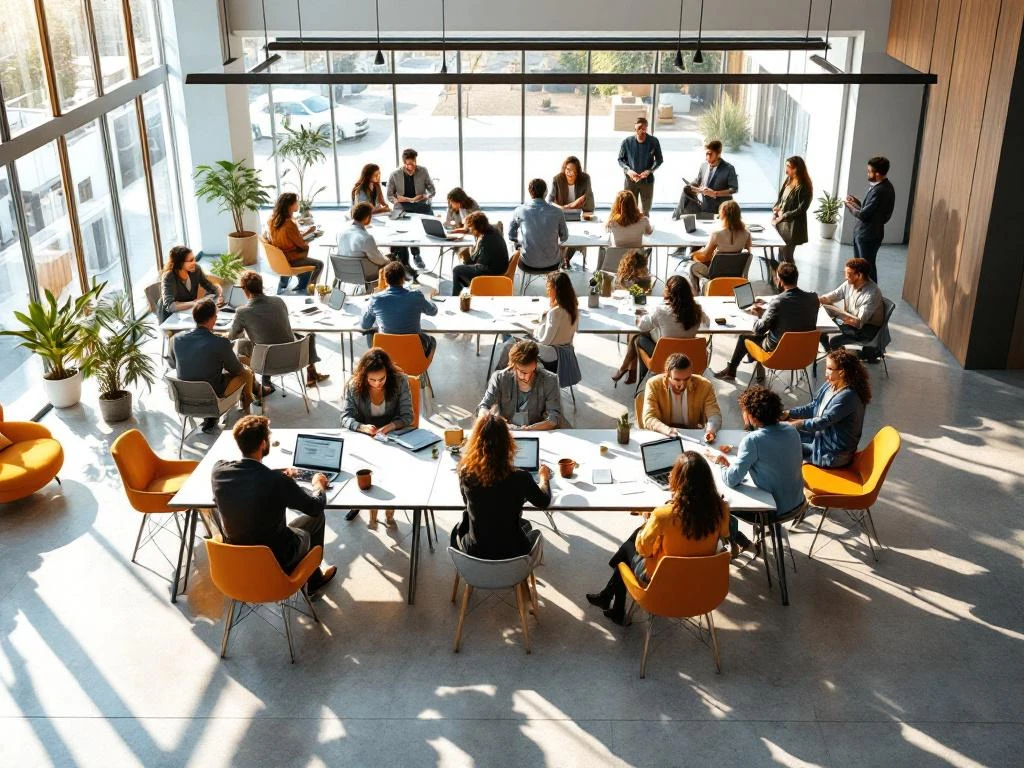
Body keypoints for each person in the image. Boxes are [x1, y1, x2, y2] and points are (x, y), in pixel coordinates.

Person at [586, 452, 730, 625]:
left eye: (672, 473)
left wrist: (649, 522)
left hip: (662, 581)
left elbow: (643, 550)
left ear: (678, 480)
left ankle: (614, 604)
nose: (670, 475)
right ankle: (609, 599)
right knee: (633, 540)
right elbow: (724, 534)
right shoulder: (720, 509)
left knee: (627, 549)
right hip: (701, 582)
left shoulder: (664, 515)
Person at [211, 415, 337, 595]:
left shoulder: (218, 471)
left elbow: (248, 476)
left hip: (237, 563)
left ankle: (313, 577)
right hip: (276, 562)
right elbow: (314, 506)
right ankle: (314, 579)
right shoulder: (277, 482)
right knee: (316, 518)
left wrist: (280, 474)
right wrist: (318, 484)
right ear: (263, 444)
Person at [712, 386, 804, 557]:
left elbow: (732, 479)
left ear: (752, 415)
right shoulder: (791, 429)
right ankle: (739, 540)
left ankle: (733, 541)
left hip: (771, 511)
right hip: (797, 502)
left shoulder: (752, 440)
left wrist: (721, 464)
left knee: (718, 502)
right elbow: (773, 449)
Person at [450, 413, 552, 560]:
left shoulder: (465, 472)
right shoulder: (520, 477)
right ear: (508, 442)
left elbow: (468, 504)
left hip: (476, 553)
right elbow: (543, 502)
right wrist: (544, 478)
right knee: (526, 527)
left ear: (475, 441)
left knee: (458, 530)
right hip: (514, 554)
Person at [340, 347, 415, 527]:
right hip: (365, 438)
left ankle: (389, 513)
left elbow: (408, 416)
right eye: (372, 380)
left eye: (382, 379)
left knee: (393, 471)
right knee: (361, 468)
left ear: (388, 373)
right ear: (364, 376)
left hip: (392, 437)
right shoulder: (353, 385)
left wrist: (390, 426)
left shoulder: (400, 381)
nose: (377, 383)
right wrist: (362, 427)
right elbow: (345, 417)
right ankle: (363, 503)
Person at [715, 261, 819, 383]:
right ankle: (749, 370)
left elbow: (759, 329)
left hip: (777, 354)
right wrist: (768, 310)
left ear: (779, 280)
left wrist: (755, 315)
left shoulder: (778, 302)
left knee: (745, 337)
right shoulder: (813, 298)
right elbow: (794, 312)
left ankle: (731, 371)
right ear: (797, 277)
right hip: (804, 353)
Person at [227, 270, 329, 390]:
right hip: (294, 359)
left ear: (245, 290)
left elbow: (231, 336)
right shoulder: (278, 301)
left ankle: (256, 388)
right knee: (308, 336)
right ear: (261, 286)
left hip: (266, 364)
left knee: (241, 345)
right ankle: (311, 373)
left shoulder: (242, 312)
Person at [173, 298, 255, 433]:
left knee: (210, 368)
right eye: (216, 315)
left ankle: (211, 418)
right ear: (212, 318)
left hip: (185, 397)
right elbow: (236, 370)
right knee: (246, 373)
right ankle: (248, 410)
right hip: (212, 397)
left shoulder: (177, 339)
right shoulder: (220, 343)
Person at [612, 275, 706, 386]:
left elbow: (642, 325)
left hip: (665, 357)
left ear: (669, 292)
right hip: (690, 356)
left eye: (666, 287)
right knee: (642, 334)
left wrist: (639, 316)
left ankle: (638, 377)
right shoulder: (697, 311)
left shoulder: (662, 311)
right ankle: (629, 370)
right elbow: (707, 322)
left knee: (638, 338)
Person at [783, 348, 871, 468]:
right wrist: (789, 413)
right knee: (785, 433)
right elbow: (814, 406)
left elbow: (823, 421)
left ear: (842, 372)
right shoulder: (830, 384)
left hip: (832, 455)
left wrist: (795, 424)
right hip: (821, 440)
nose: (825, 373)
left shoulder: (848, 396)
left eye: (829, 369)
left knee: (783, 443)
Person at [496, 271, 579, 370]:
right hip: (564, 354)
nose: (547, 292)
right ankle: (510, 373)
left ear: (556, 290)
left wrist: (532, 333)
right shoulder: (574, 308)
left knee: (509, 344)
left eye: (549, 288)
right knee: (514, 336)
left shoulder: (555, 313)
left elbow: (545, 341)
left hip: (550, 356)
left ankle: (497, 377)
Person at [478, 340, 562, 430]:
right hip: (505, 432)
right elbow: (483, 407)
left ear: (535, 364)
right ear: (512, 365)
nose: (525, 377)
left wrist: (530, 429)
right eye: (521, 371)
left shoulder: (550, 380)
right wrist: (491, 418)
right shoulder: (500, 378)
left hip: (536, 431)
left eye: (530, 372)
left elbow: (554, 418)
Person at [360, 261, 438, 358]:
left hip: (386, 356)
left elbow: (365, 325)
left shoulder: (376, 300)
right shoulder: (416, 297)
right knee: (427, 338)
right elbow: (434, 311)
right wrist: (428, 299)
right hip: (413, 355)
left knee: (371, 333)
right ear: (403, 279)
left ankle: (377, 362)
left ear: (385, 279)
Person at [642, 353, 722, 441]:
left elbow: (714, 414)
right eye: (677, 379)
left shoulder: (705, 385)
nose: (682, 384)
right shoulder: (653, 384)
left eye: (687, 379)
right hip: (664, 434)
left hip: (692, 435)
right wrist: (667, 430)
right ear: (667, 375)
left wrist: (710, 430)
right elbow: (648, 417)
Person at [819, 257, 885, 361]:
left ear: (859, 275)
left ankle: (855, 355)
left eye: (848, 274)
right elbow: (830, 297)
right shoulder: (849, 284)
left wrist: (837, 313)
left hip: (865, 330)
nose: (845, 277)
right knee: (820, 326)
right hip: (850, 322)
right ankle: (832, 351)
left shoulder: (871, 294)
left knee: (835, 341)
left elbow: (858, 323)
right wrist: (813, 300)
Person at [678, 199, 751, 294]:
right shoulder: (746, 234)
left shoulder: (717, 234)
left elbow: (705, 256)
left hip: (715, 273)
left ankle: (698, 293)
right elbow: (747, 253)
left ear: (723, 215)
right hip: (736, 272)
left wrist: (693, 254)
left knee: (692, 267)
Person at [844, 155, 895, 283]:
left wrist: (850, 206)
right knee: (861, 267)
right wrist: (856, 202)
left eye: (869, 171)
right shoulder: (883, 187)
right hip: (866, 234)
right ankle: (861, 292)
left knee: (867, 268)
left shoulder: (880, 190)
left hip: (868, 236)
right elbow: (871, 211)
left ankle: (871, 297)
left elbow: (863, 215)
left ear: (877, 174)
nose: (867, 173)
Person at [386, 148, 435, 270]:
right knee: (403, 232)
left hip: (420, 205)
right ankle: (408, 259)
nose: (412, 167)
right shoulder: (395, 175)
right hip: (402, 206)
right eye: (409, 164)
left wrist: (425, 196)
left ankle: (416, 255)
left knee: (419, 228)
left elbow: (432, 190)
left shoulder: (423, 171)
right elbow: (389, 195)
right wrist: (397, 200)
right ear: (404, 163)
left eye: (414, 163)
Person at [267, 192, 324, 295]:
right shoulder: (289, 224)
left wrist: (307, 232)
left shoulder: (272, 220)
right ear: (290, 205)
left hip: (281, 259)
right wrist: (310, 238)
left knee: (307, 262)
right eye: (296, 202)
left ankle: (296, 285)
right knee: (319, 264)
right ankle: (310, 291)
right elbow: (301, 244)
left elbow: (289, 237)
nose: (298, 204)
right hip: (292, 259)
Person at [508, 178, 568, 272]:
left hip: (527, 264)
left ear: (529, 192)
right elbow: (564, 237)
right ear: (546, 192)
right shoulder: (558, 212)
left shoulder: (519, 211)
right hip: (553, 264)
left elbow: (511, 235)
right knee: (561, 250)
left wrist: (519, 243)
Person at [549, 156, 595, 268]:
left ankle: (566, 258)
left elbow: (586, 197)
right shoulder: (557, 179)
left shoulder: (585, 178)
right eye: (568, 170)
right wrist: (562, 208)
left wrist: (569, 206)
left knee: (578, 235)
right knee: (562, 234)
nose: (570, 173)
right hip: (562, 211)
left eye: (574, 171)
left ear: (578, 172)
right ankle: (560, 259)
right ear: (564, 169)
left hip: (581, 210)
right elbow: (550, 200)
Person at [450, 211, 510, 295]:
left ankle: (456, 296)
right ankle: (464, 290)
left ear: (477, 227)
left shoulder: (485, 240)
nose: (470, 230)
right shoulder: (493, 231)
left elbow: (479, 265)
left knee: (457, 270)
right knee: (462, 271)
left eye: (471, 228)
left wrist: (466, 257)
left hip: (493, 272)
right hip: (500, 268)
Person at [159, 245, 221, 323]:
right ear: (180, 263)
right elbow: (170, 306)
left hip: (188, 314)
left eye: (194, 258)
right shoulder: (169, 277)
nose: (194, 262)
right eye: (191, 260)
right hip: (171, 318)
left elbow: (211, 288)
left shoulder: (196, 270)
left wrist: (218, 295)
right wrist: (194, 303)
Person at [336, 201, 393, 287]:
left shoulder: (340, 232)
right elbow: (379, 260)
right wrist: (389, 261)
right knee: (391, 260)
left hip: (343, 271)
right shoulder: (366, 238)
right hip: (363, 273)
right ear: (367, 217)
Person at [617, 116, 663, 214]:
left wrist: (650, 170)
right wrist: (628, 170)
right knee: (629, 209)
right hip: (630, 180)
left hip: (647, 181)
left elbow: (659, 160)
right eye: (638, 129)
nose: (641, 132)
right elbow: (620, 159)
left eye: (643, 129)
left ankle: (644, 227)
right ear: (635, 130)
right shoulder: (627, 142)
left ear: (646, 129)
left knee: (646, 210)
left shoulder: (654, 141)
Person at [598, 190, 653, 272]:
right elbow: (649, 232)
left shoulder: (612, 222)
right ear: (634, 204)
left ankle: (599, 272)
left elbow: (605, 231)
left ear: (616, 205)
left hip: (617, 263)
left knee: (602, 248)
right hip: (636, 262)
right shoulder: (643, 220)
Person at [680, 139, 739, 216]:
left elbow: (734, 189)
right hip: (705, 209)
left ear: (718, 154)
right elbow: (698, 181)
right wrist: (690, 186)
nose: (707, 157)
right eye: (706, 154)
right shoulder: (703, 166)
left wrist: (715, 193)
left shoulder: (729, 168)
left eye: (710, 154)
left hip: (723, 211)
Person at [772, 155, 813, 264]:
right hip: (782, 223)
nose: (786, 170)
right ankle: (781, 279)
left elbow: (802, 209)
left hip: (792, 227)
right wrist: (776, 208)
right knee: (780, 255)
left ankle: (790, 279)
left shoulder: (803, 186)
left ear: (796, 169)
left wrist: (784, 215)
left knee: (788, 256)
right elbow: (781, 199)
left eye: (788, 166)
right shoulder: (788, 180)